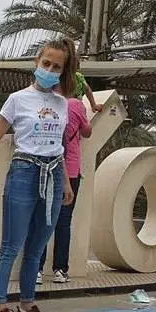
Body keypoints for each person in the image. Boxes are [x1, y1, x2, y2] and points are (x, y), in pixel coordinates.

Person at [0, 38, 77, 312]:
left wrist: (66, 183)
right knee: (11, 244)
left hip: (52, 175)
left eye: (56, 66)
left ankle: (26, 305)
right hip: (24, 171)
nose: (49, 69)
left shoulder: (63, 104)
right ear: (37, 63)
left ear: (63, 71)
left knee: (36, 247)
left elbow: (57, 145)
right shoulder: (18, 99)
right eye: (46, 63)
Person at [38, 94, 92, 284]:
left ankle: (36, 269)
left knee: (42, 219)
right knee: (63, 221)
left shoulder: (47, 104)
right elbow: (87, 131)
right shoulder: (76, 104)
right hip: (70, 169)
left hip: (46, 167)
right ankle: (60, 270)